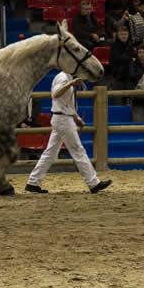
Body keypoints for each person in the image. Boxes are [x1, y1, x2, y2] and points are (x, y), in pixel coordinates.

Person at [25, 66, 110, 194]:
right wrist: (71, 83)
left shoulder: (66, 77)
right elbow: (55, 94)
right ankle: (93, 183)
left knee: (51, 153)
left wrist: (76, 117)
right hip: (63, 120)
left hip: (62, 118)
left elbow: (66, 102)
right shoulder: (64, 78)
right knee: (77, 150)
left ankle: (33, 182)